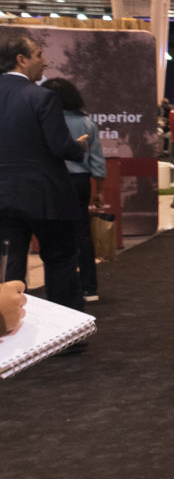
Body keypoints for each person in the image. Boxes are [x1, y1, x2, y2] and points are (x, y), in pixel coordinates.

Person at [0, 33, 87, 310]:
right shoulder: (42, 97)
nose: (44, 62)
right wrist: (79, 147)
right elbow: (60, 146)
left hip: (4, 197)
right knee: (61, 262)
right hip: (46, 197)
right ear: (21, 59)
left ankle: (8, 323)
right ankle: (66, 327)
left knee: (9, 265)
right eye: (39, 55)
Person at [43, 78, 105, 303]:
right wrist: (99, 190)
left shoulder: (44, 120)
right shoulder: (86, 122)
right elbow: (97, 160)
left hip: (53, 181)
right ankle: (90, 288)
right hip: (80, 182)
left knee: (52, 234)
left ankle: (56, 288)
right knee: (82, 233)